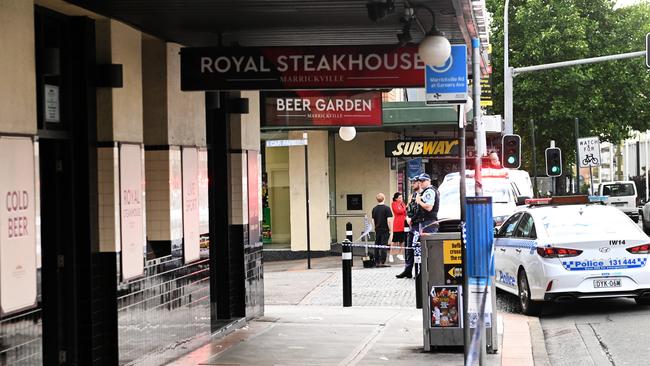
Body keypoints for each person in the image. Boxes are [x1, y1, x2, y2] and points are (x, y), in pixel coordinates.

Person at [396, 177, 420, 278]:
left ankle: (419, 271)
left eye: (413, 183)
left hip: (419, 224)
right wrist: (407, 216)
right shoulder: (413, 195)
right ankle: (408, 270)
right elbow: (409, 209)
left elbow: (420, 211)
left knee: (418, 250)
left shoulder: (422, 194)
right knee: (409, 248)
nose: (412, 185)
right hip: (412, 225)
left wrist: (412, 218)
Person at [371, 193, 392, 267]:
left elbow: (373, 221)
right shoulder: (387, 208)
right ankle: (383, 261)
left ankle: (377, 260)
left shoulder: (374, 209)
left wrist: (375, 228)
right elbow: (389, 220)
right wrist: (390, 229)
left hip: (377, 229)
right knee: (384, 245)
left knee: (377, 245)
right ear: (384, 198)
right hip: (385, 229)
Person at [389, 192, 406, 262]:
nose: (401, 199)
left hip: (403, 223)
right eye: (399, 198)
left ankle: (400, 253)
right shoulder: (394, 204)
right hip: (397, 224)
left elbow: (404, 211)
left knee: (402, 240)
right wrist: (405, 208)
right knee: (394, 241)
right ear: (396, 198)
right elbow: (399, 211)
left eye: (401, 197)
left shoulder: (402, 204)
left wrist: (405, 207)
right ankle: (391, 254)